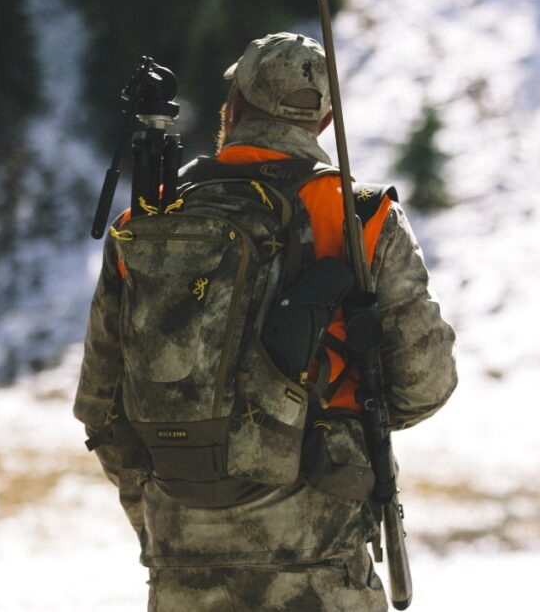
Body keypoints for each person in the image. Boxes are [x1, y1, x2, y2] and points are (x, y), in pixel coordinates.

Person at [74, 32, 457, 611]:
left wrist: (166, 515)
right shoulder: (360, 216)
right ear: (324, 123)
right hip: (319, 562)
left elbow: (100, 404)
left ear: (233, 107)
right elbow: (424, 384)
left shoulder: (149, 221)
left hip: (181, 563)